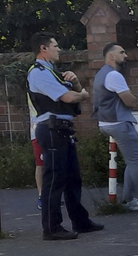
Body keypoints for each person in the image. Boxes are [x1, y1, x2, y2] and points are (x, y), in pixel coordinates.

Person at [27, 32, 103, 240]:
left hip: (62, 129)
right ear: (44, 49)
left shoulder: (55, 72)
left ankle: (80, 221)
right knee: (55, 179)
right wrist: (83, 94)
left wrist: (77, 83)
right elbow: (68, 97)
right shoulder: (38, 72)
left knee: (73, 178)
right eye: (56, 46)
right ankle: (52, 228)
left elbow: (72, 93)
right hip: (51, 129)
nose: (59, 49)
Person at [94, 43, 138, 210]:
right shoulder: (114, 75)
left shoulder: (101, 74)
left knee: (135, 160)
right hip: (119, 123)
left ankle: (128, 199)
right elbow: (130, 101)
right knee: (136, 161)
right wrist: (135, 98)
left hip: (106, 122)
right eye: (121, 52)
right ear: (111, 56)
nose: (126, 55)